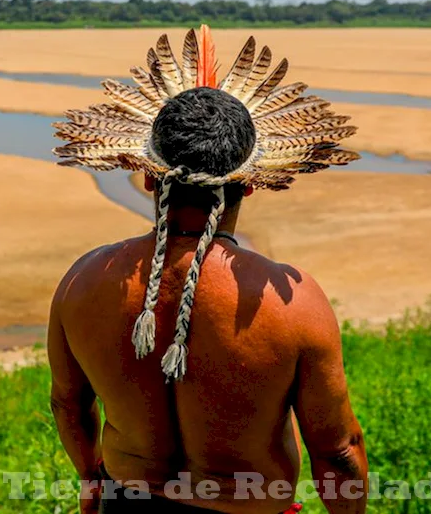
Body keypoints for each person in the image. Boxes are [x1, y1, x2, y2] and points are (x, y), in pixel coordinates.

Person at [48, 27, 368, 513]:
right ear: (253, 183)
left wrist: (92, 480)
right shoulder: (294, 304)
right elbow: (338, 451)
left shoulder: (85, 280)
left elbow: (69, 405)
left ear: (148, 177)